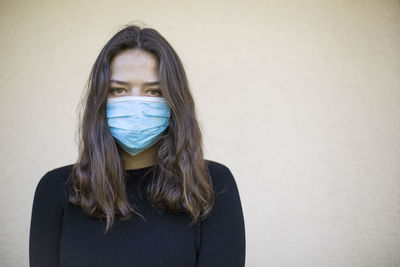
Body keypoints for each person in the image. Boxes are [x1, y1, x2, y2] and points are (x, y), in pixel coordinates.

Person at [29, 23, 246, 267]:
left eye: (153, 92)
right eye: (119, 90)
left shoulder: (211, 186)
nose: (136, 104)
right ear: (99, 100)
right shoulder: (56, 190)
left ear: (174, 101)